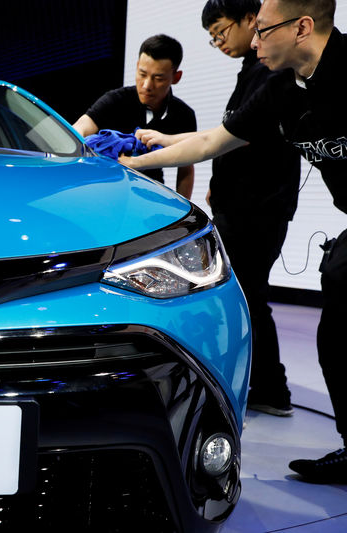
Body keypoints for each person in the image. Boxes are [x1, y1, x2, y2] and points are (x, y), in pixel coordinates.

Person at [121, 0, 347, 483]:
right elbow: (212, 142)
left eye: (262, 31)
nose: (256, 41)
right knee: (337, 339)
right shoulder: (282, 89)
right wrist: (132, 165)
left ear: (302, 26)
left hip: (262, 210)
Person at [138, 0, 301, 417]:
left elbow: (222, 140)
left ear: (252, 21)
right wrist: (169, 141)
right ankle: (263, 387)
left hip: (259, 206)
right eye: (212, 37)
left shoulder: (271, 71)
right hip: (241, 203)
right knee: (244, 295)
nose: (218, 42)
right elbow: (226, 133)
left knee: (246, 297)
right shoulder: (251, 70)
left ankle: (267, 388)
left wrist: (140, 161)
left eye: (221, 31)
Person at [73, 34, 196, 199]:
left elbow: (186, 168)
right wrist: (73, 139)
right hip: (105, 190)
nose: (146, 85)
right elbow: (83, 125)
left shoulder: (183, 115)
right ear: (137, 65)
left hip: (152, 194)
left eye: (158, 78)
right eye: (142, 74)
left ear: (176, 77)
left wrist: (183, 212)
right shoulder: (115, 100)